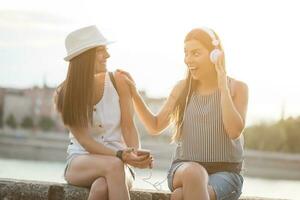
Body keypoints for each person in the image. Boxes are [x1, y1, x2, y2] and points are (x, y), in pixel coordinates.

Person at [119, 27, 248, 200]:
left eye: (195, 53)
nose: (188, 59)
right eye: (186, 53)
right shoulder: (182, 88)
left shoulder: (237, 88)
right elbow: (155, 126)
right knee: (194, 173)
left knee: (180, 195)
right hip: (183, 170)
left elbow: (234, 131)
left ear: (215, 55)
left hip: (225, 174)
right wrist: (134, 94)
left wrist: (222, 86)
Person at [53, 25, 152, 200]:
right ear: (84, 57)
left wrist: (136, 154)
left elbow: (128, 127)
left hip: (121, 167)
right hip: (81, 162)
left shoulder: (119, 81)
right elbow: (85, 141)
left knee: (101, 188)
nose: (108, 55)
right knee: (113, 165)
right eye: (101, 50)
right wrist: (120, 155)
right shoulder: (65, 93)